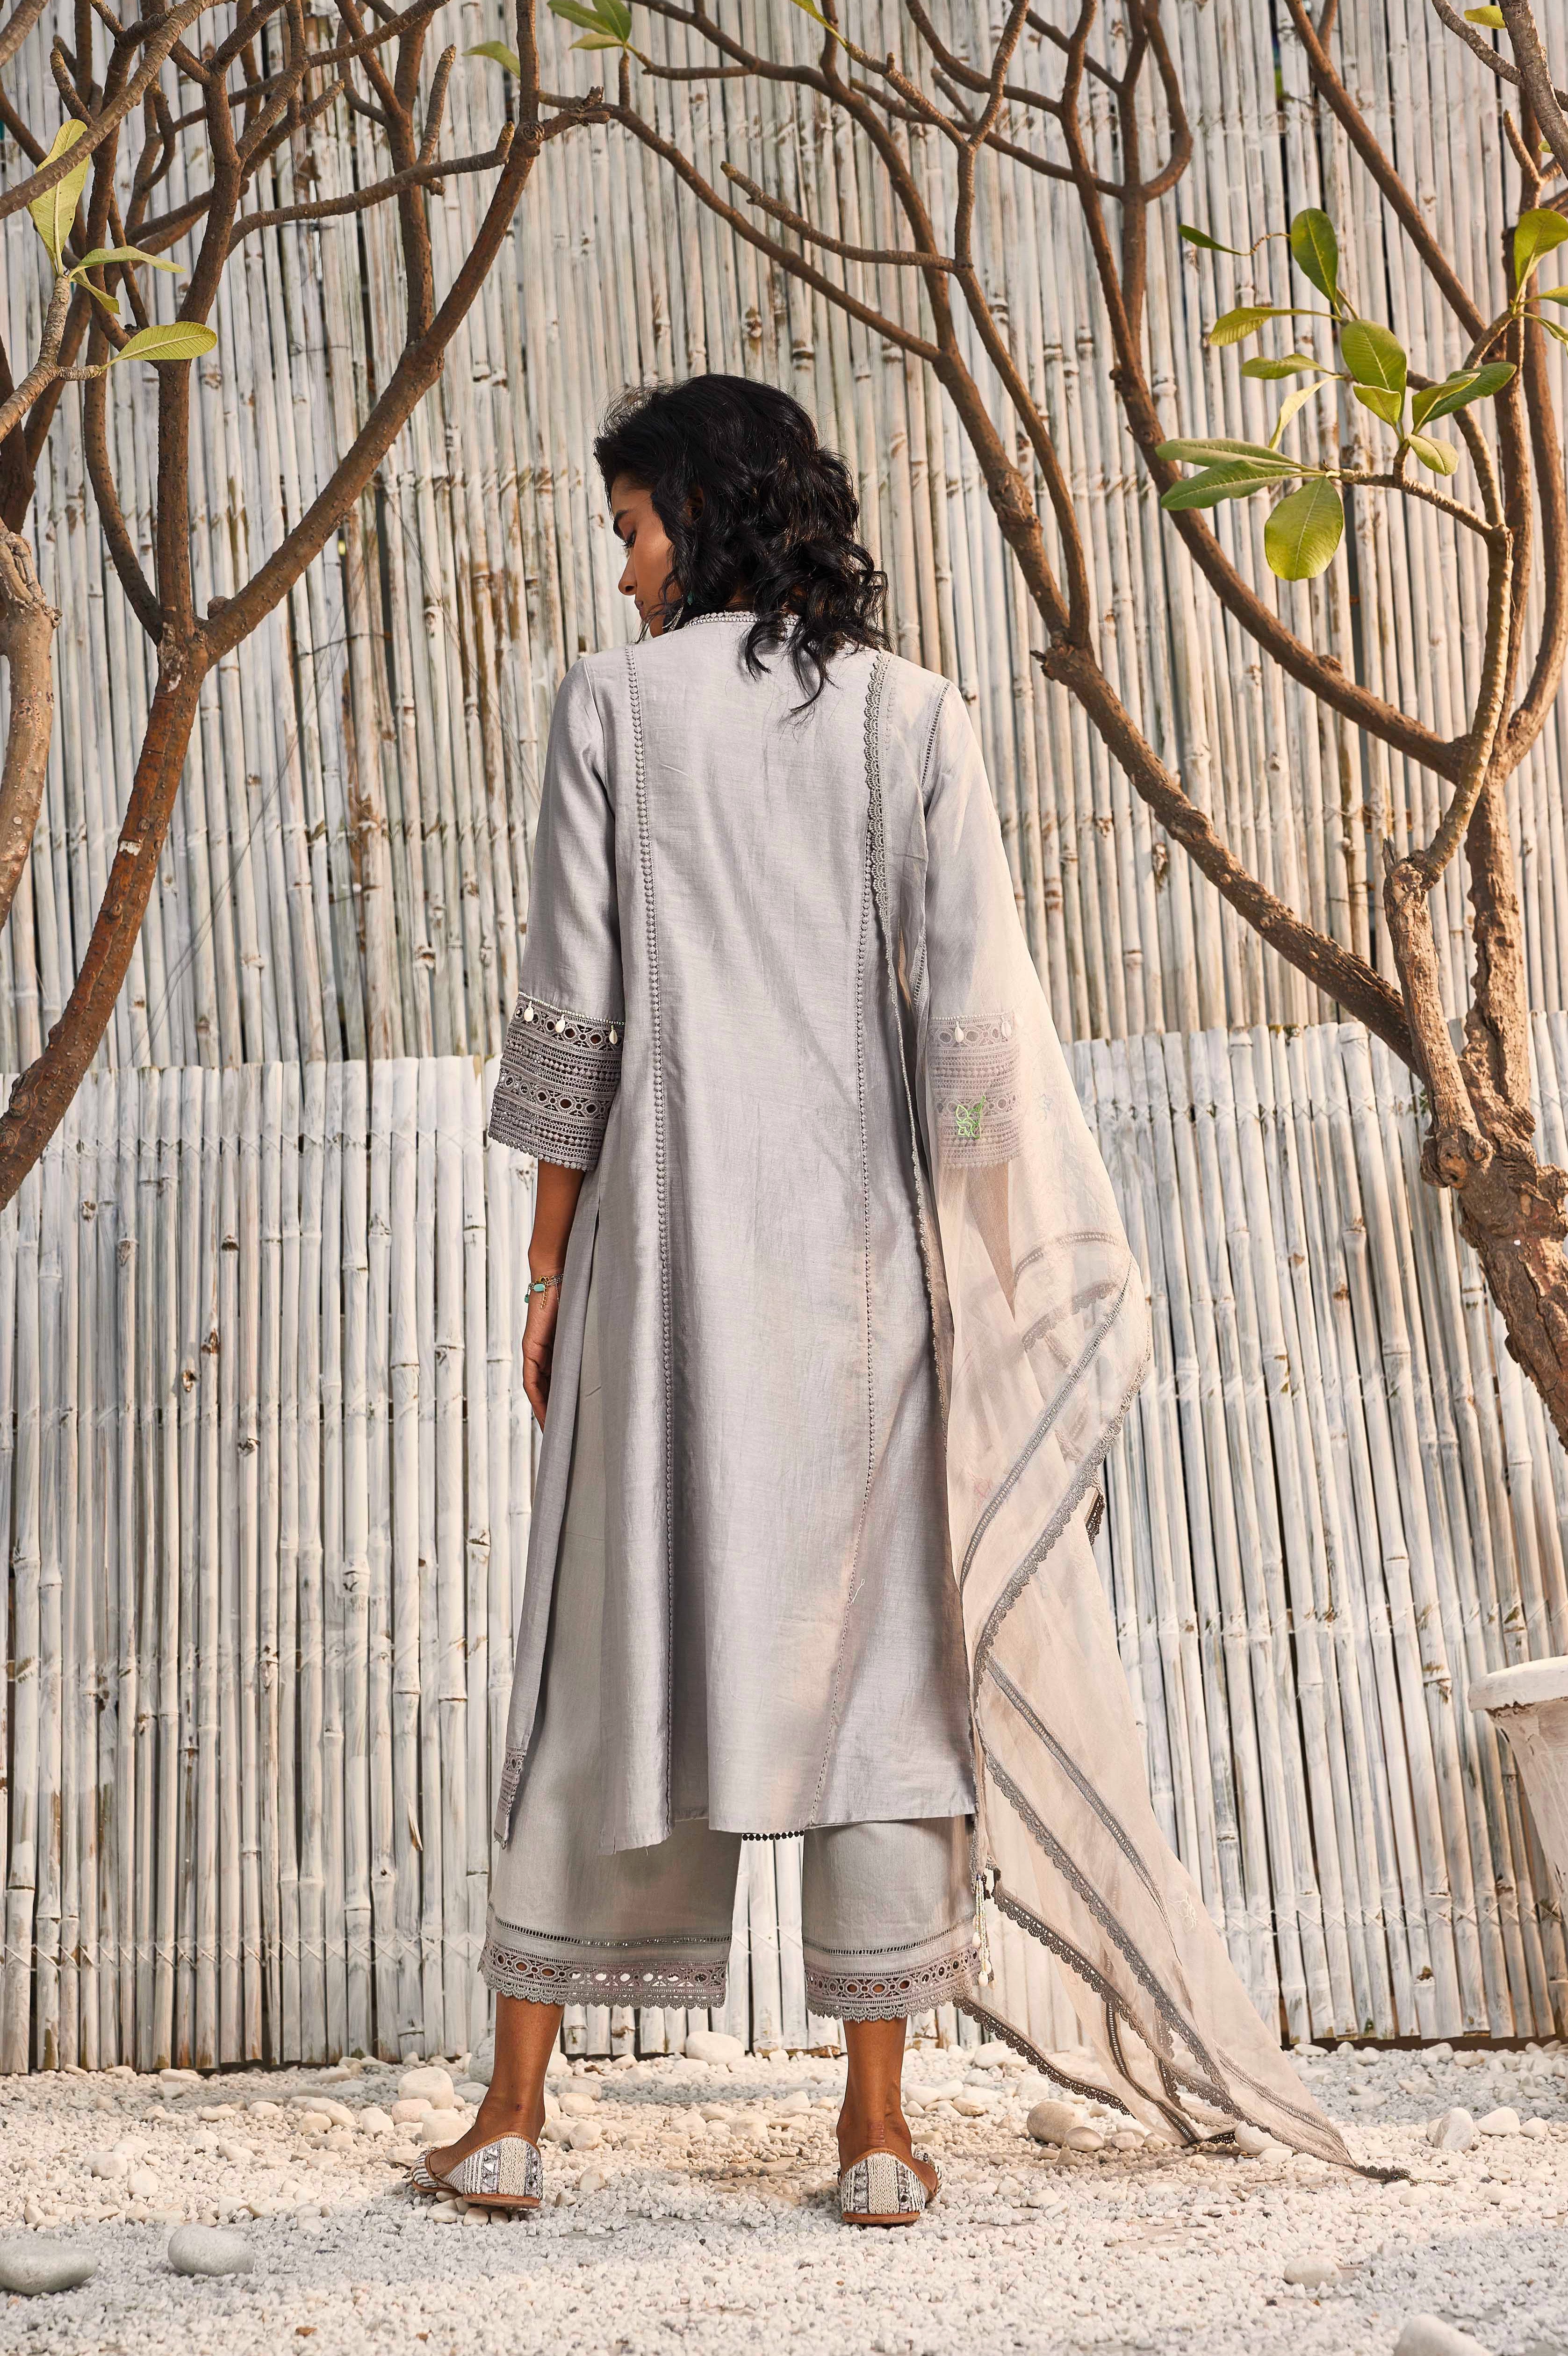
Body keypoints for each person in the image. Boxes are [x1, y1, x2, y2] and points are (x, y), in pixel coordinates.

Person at [413, 374, 1355, 2227]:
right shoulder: (916, 716)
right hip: (869, 1284)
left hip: (662, 1276)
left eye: (632, 529)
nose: (621, 573)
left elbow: (571, 1021)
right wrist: (984, 1245)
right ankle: (876, 2139)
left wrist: (543, 1267)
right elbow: (973, 1030)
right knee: (879, 1684)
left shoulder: (610, 710)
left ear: (700, 513)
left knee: (603, 1655)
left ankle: (510, 2120)